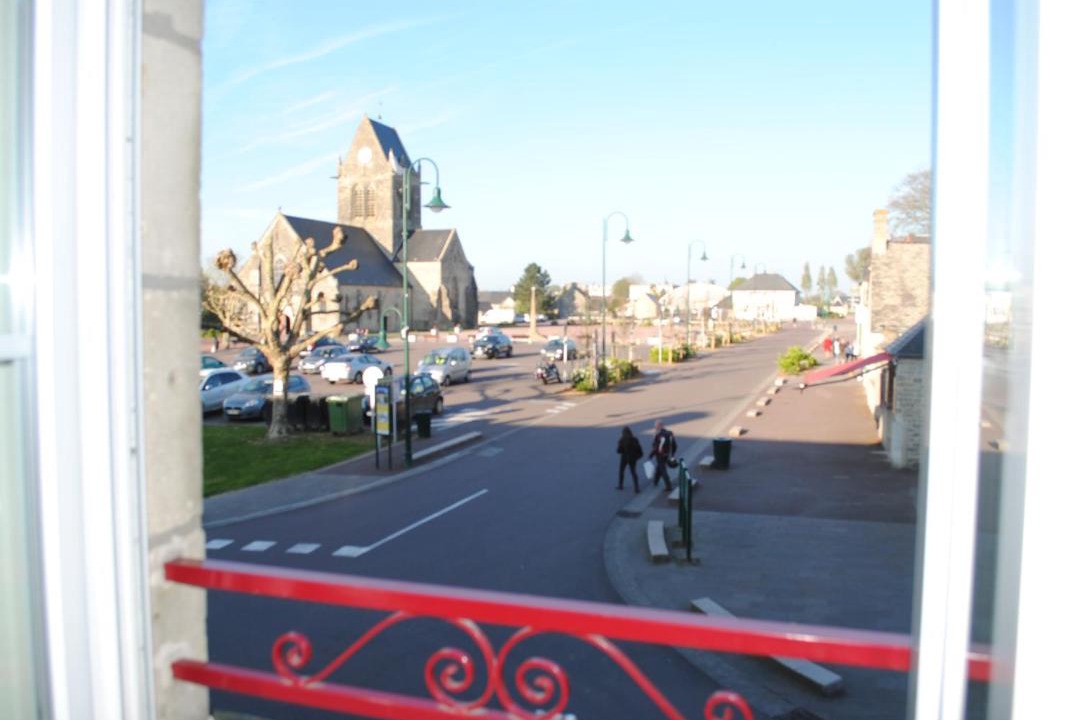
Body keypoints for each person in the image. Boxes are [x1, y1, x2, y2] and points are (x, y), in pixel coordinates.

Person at [649, 420, 677, 491]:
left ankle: (668, 485)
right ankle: (656, 481)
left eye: (655, 426)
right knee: (659, 467)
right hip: (667, 454)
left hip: (660, 455)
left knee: (663, 470)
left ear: (659, 426)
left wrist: (651, 455)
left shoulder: (658, 435)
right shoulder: (669, 433)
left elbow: (656, 447)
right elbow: (674, 445)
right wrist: (672, 455)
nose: (655, 428)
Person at [616, 426, 643, 493]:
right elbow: (639, 449)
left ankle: (621, 485)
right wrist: (637, 456)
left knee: (621, 471)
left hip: (624, 458)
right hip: (633, 458)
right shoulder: (635, 439)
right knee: (633, 472)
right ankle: (636, 488)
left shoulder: (622, 440)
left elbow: (619, 451)